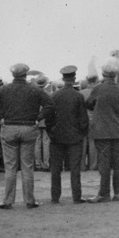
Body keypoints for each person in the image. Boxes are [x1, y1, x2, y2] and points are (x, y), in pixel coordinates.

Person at [0, 62, 54, 209]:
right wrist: (38, 118)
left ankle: (8, 200)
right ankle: (29, 199)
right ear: (26, 74)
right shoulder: (34, 90)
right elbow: (50, 104)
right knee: (27, 166)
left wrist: (0, 116)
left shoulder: (4, 89)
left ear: (12, 74)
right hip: (29, 127)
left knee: (10, 167)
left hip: (9, 127)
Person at [86, 60, 119, 202]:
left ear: (103, 73)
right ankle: (118, 192)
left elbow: (90, 104)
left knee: (104, 163)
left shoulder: (98, 89)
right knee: (117, 163)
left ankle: (104, 193)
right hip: (117, 129)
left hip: (102, 130)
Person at [48, 65, 89, 204]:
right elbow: (83, 118)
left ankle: (55, 197)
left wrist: (51, 132)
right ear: (74, 78)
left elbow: (49, 118)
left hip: (57, 137)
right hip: (75, 137)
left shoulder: (54, 95)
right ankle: (76, 197)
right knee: (75, 169)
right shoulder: (78, 96)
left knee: (56, 169)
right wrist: (82, 132)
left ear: (63, 78)